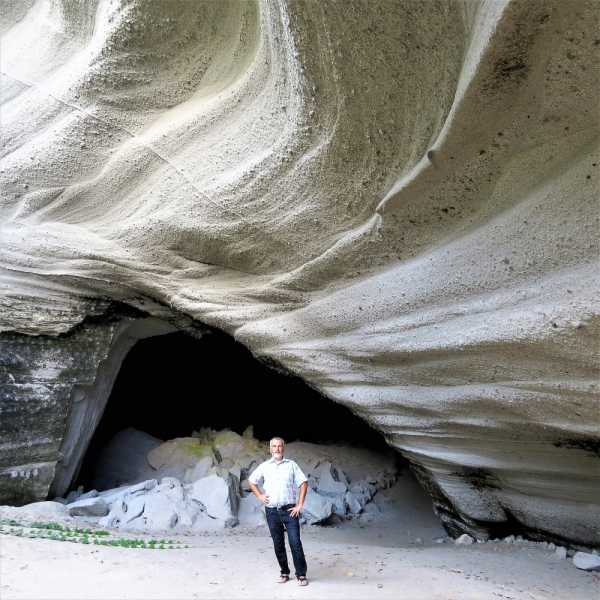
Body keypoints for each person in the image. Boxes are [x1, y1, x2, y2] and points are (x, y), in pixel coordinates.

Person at [248, 437, 309, 586]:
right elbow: (251, 480)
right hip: (272, 512)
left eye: (279, 446)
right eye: (274, 446)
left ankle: (301, 574)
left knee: (295, 543)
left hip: (290, 511)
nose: (277, 449)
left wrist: (300, 503)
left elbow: (303, 482)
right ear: (270, 449)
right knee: (278, 544)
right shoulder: (264, 466)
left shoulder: (291, 465)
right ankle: (284, 572)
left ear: (283, 448)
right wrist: (259, 495)